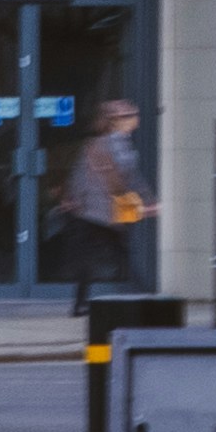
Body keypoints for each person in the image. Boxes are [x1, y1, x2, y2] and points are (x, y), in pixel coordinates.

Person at [47, 88, 152, 306]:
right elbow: (130, 178)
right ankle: (141, 295)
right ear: (118, 121)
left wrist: (73, 199)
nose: (136, 120)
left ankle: (80, 304)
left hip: (90, 211)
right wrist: (149, 200)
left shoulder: (97, 144)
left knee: (92, 256)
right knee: (118, 252)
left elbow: (79, 175)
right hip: (104, 211)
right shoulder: (118, 144)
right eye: (132, 116)